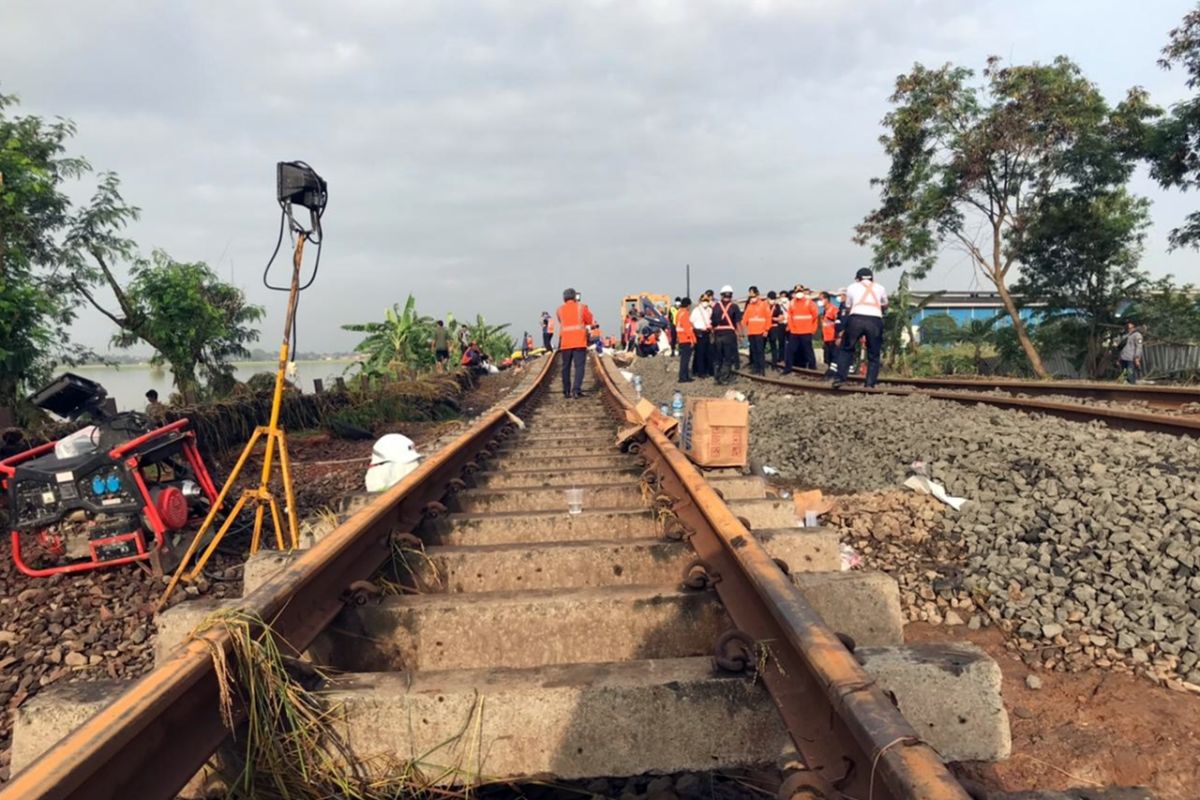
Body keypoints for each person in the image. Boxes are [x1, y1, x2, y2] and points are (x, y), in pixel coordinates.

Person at [834, 268, 888, 388]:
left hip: (856, 319)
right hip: (875, 320)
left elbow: (848, 306)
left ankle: (840, 379)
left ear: (858, 278)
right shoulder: (880, 288)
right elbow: (885, 304)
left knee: (846, 349)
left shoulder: (852, 287)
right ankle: (869, 384)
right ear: (872, 278)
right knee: (874, 354)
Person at [557, 287, 595, 398]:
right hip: (579, 342)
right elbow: (589, 320)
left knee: (566, 367)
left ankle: (566, 391)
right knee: (579, 367)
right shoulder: (581, 307)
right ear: (575, 297)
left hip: (566, 342)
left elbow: (561, 321)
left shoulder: (559, 310)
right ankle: (576, 390)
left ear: (564, 298)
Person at [711, 285, 742, 385]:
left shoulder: (715, 306)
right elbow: (737, 323)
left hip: (717, 334)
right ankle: (724, 378)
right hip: (729, 335)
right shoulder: (734, 307)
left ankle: (717, 377)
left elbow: (712, 322)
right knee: (728, 357)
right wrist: (740, 335)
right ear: (731, 295)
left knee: (718, 357)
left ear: (721, 295)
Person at [783, 287, 818, 374]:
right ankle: (788, 368)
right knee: (790, 350)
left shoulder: (809, 302)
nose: (799, 293)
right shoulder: (792, 303)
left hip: (806, 331)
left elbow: (815, 317)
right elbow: (790, 317)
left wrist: (812, 329)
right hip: (795, 331)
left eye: (800, 291)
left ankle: (812, 367)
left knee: (808, 350)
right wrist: (791, 328)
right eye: (797, 291)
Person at [743, 286, 770, 376]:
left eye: (753, 296)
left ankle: (762, 369)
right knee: (754, 351)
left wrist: (766, 329)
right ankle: (756, 368)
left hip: (760, 332)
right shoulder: (749, 306)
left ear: (757, 294)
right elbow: (745, 319)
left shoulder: (763, 304)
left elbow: (768, 318)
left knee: (760, 351)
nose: (752, 298)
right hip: (751, 332)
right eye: (751, 296)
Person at [690, 291, 713, 378]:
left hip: (707, 332)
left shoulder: (709, 310)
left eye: (707, 300)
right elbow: (691, 321)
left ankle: (707, 370)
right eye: (704, 300)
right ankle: (700, 372)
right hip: (699, 332)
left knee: (708, 353)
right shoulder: (696, 310)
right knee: (700, 353)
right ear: (700, 301)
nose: (705, 302)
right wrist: (695, 331)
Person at [675, 297, 696, 382]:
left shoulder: (679, 313)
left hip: (681, 338)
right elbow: (688, 329)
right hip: (686, 339)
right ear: (688, 305)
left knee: (684, 359)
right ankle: (683, 377)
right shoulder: (685, 314)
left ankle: (684, 376)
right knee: (686, 360)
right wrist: (692, 340)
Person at [820, 292, 840, 373]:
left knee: (833, 356)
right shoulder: (825, 311)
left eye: (821, 299)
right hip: (826, 337)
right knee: (827, 357)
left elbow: (837, 321)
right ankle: (830, 371)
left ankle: (834, 372)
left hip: (832, 336)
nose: (820, 301)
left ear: (827, 299)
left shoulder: (833, 309)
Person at [768, 291, 787, 367]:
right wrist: (774, 318)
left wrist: (773, 318)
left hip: (774, 327)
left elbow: (780, 317)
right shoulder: (764, 306)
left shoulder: (777, 306)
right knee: (763, 345)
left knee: (774, 345)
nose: (772, 300)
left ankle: (774, 363)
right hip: (765, 327)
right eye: (771, 299)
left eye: (774, 299)